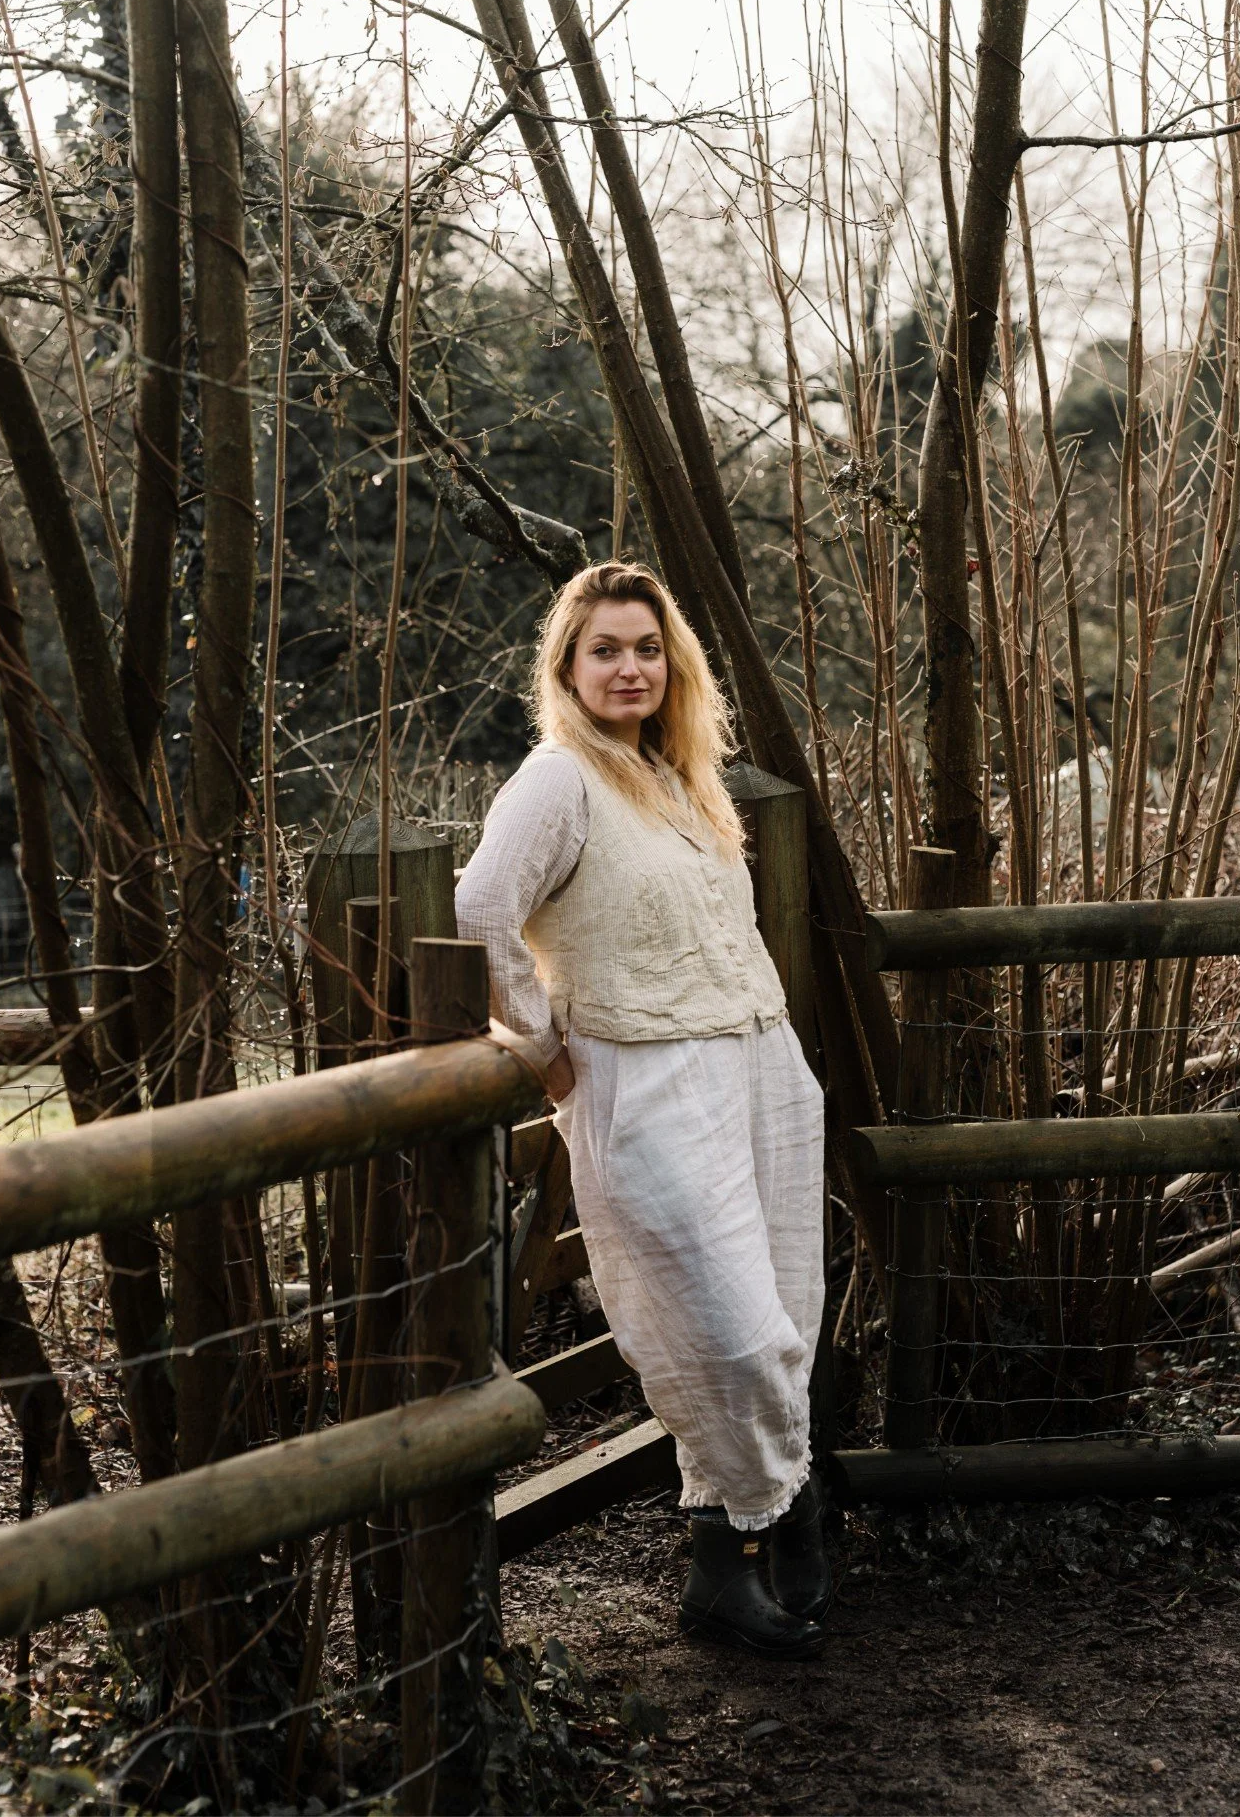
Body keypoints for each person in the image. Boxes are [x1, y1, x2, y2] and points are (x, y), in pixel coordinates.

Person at [456, 560, 830, 1659]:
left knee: (786, 1323)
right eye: (606, 648)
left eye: (647, 647)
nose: (630, 666)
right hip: (648, 1081)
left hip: (760, 1066)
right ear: (567, 667)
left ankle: (726, 1569)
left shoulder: (677, 775)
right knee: (733, 1335)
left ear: (674, 665)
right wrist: (541, 1046)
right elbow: (481, 907)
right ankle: (785, 1511)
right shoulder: (558, 779)